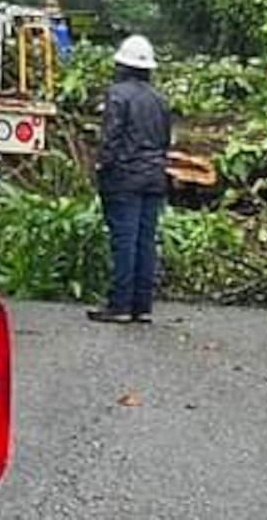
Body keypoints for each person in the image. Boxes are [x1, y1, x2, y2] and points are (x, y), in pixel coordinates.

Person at [89, 33, 172, 323]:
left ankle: (120, 304)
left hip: (124, 178)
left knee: (124, 240)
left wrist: (102, 166)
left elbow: (111, 138)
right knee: (145, 241)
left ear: (121, 65)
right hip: (154, 177)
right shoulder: (160, 99)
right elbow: (165, 140)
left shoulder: (117, 94)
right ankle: (142, 305)